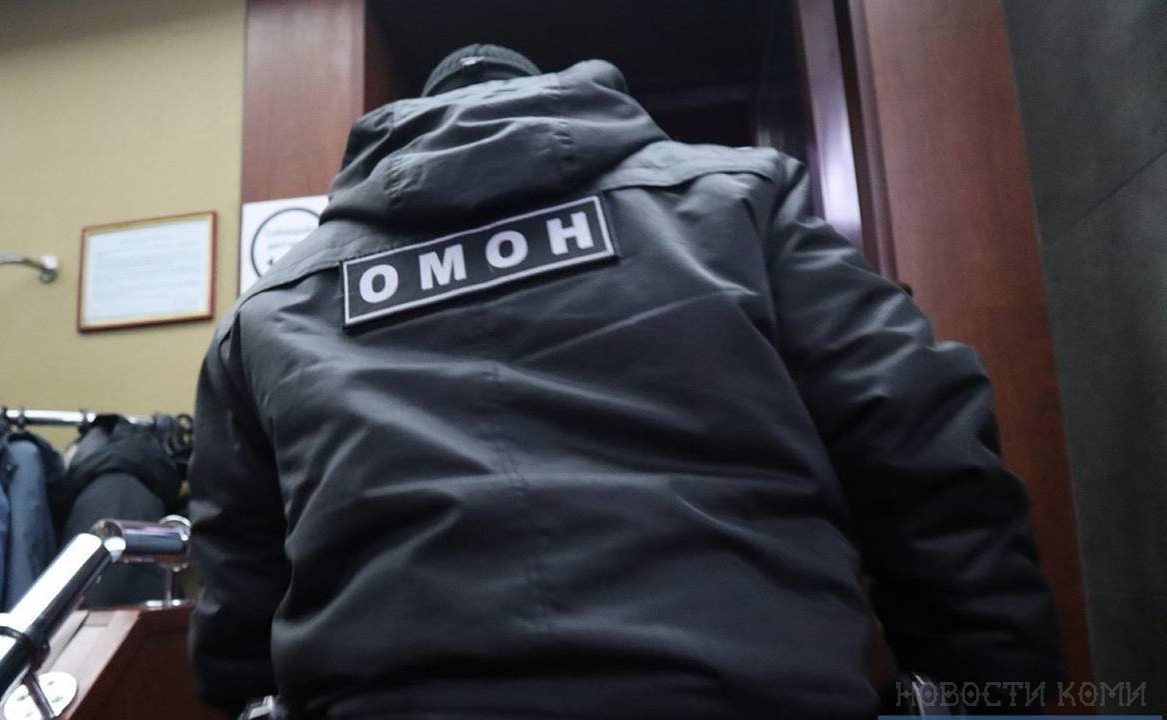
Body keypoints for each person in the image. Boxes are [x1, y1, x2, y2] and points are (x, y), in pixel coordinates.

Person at [188, 45, 1063, 718]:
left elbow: (236, 587)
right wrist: (986, 688)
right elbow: (921, 441)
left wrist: (253, 696)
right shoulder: (738, 200)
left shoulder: (273, 308)